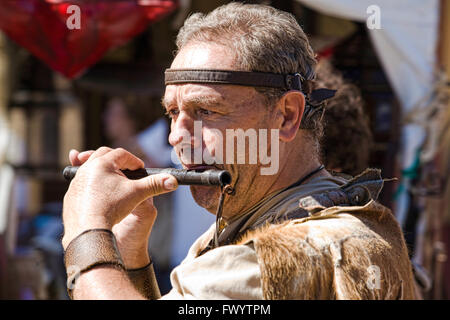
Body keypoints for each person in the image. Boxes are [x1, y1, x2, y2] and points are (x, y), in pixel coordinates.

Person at [61, 3, 416, 299]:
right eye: (173, 113)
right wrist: (132, 254)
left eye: (206, 111)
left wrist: (86, 228)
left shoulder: (275, 258)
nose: (177, 137)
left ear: (286, 115)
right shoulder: (342, 219)